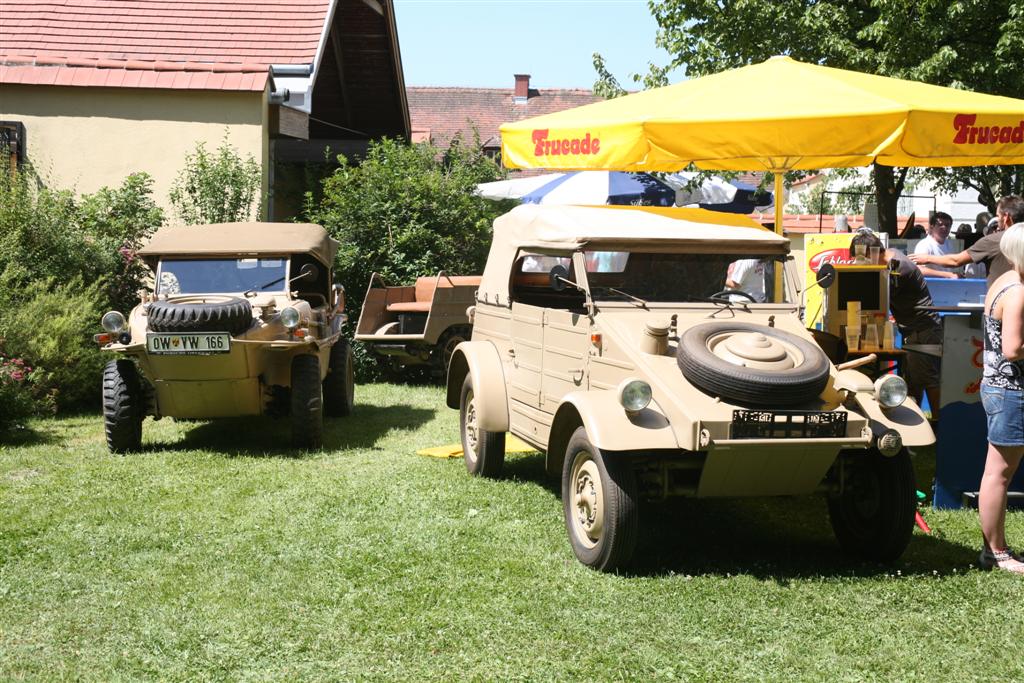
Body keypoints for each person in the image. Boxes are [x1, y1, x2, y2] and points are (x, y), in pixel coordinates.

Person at [849, 229, 942, 411]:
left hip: (923, 329)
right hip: (913, 329)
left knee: (928, 378)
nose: (860, 262)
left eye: (861, 257)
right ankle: (921, 419)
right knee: (914, 380)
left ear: (870, 253)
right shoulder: (889, 262)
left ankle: (939, 424)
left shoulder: (898, 267)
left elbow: (878, 298)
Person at [977, 222, 1024, 574]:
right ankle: (996, 553)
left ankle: (994, 547)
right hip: (1011, 391)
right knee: (999, 474)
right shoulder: (1019, 292)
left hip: (996, 387)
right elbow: (1013, 348)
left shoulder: (1002, 282)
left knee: (997, 471)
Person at [911, 196, 1024, 287]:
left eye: (998, 216)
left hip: (1002, 303)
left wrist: (927, 258)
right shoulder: (926, 245)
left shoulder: (993, 241)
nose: (944, 228)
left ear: (1006, 218)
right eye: (940, 225)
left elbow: (956, 261)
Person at [913, 212, 960, 279]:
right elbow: (919, 270)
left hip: (947, 285)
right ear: (932, 226)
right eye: (940, 225)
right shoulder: (924, 245)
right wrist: (948, 275)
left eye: (947, 225)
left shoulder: (949, 244)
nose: (944, 227)